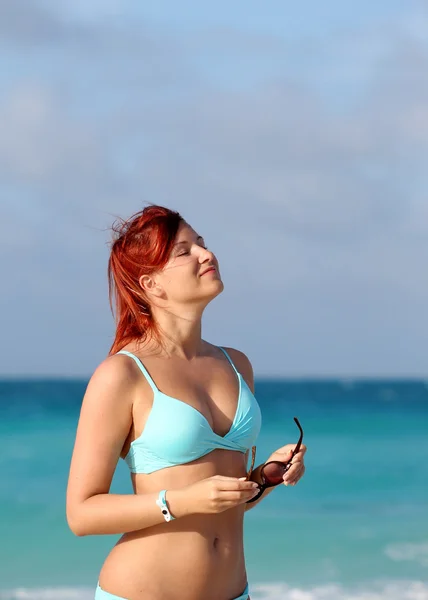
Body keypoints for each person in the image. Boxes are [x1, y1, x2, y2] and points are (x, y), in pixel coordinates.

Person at [66, 205, 307, 600]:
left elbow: (222, 503)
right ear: (151, 285)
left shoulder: (236, 364)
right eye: (184, 251)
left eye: (202, 243)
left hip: (234, 592)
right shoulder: (122, 375)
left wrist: (264, 479)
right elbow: (81, 513)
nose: (206, 254)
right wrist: (179, 501)